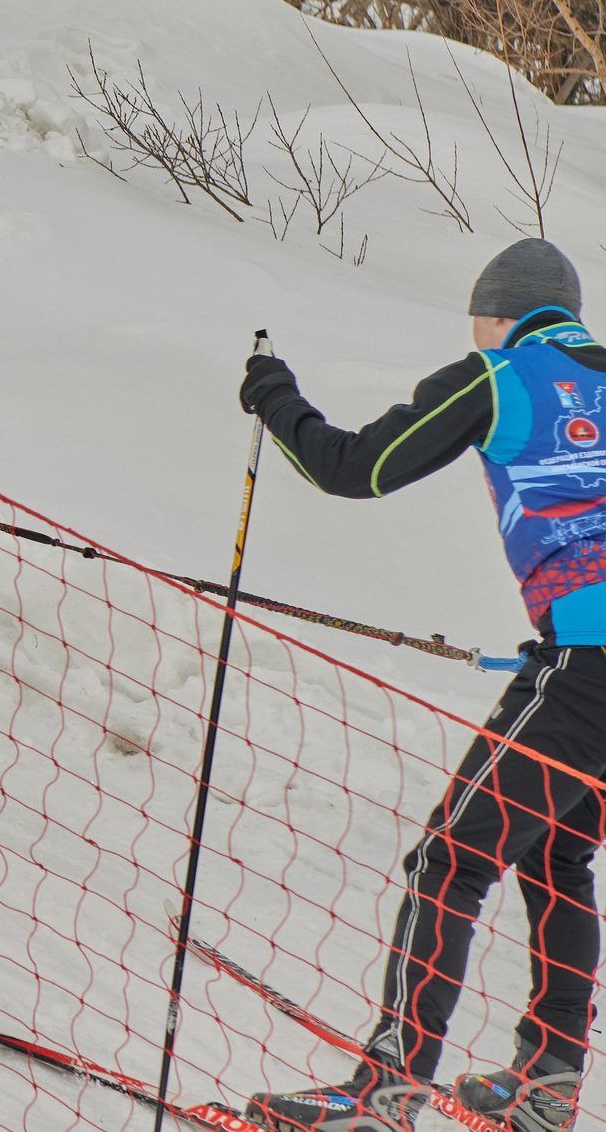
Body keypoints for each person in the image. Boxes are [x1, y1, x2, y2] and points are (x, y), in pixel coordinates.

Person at [238, 237, 606, 1132]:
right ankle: (549, 1080)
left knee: (452, 856)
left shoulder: (498, 371)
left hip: (586, 658)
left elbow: (353, 467)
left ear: (499, 312)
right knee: (557, 852)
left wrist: (272, 397)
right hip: (581, 658)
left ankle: (384, 1089)